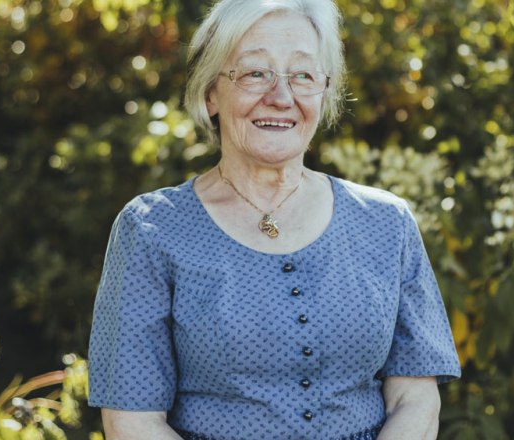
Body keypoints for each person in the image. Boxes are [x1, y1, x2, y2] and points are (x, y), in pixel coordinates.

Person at [87, 0, 461, 438]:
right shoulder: (153, 229)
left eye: (303, 75)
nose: (281, 97)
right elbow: (132, 420)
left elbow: (415, 397)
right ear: (210, 93)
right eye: (253, 73)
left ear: (324, 91)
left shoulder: (386, 223)